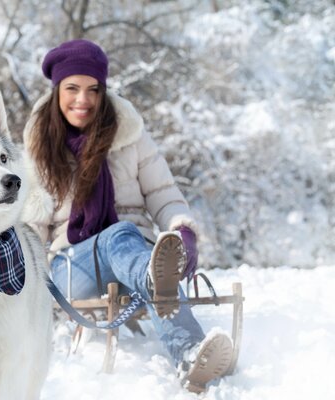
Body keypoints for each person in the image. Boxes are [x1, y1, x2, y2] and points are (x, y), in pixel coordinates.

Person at [21, 39, 233, 393]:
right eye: (72, 88)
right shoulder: (40, 148)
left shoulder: (130, 136)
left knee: (127, 240)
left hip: (135, 252)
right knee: (123, 237)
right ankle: (155, 281)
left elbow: (162, 194)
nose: (83, 100)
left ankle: (191, 357)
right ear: (57, 90)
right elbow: (29, 230)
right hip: (73, 267)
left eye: (93, 90)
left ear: (104, 92)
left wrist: (182, 228)